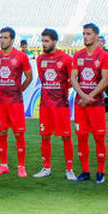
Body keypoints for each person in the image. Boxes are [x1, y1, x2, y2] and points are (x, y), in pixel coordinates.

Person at [71, 23, 108, 184]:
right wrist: (82, 95)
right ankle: (85, 171)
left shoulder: (103, 55)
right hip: (80, 103)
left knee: (99, 138)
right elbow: (74, 77)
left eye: (88, 34)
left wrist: (90, 96)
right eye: (83, 34)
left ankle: (101, 171)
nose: (85, 37)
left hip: (96, 104)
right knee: (81, 137)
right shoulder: (78, 55)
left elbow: (105, 79)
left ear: (96, 36)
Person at [0, 27, 33, 177]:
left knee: (18, 133)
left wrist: (19, 90)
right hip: (1, 102)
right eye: (1, 37)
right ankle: (3, 165)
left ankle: (21, 166)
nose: (2, 40)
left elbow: (29, 77)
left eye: (5, 37)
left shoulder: (21, 56)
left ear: (12, 40)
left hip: (15, 102)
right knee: (1, 132)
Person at [34, 28, 74, 179]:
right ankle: (46, 168)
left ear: (54, 41)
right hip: (45, 105)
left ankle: (69, 169)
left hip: (61, 105)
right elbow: (44, 80)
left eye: (46, 41)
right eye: (42, 41)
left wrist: (62, 87)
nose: (43, 44)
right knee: (45, 136)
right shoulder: (40, 59)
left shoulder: (65, 58)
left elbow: (72, 80)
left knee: (66, 137)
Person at [99, 35, 108, 118]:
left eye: (101, 41)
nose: (100, 42)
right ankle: (100, 111)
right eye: (98, 41)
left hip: (106, 75)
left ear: (103, 42)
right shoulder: (94, 52)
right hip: (97, 76)